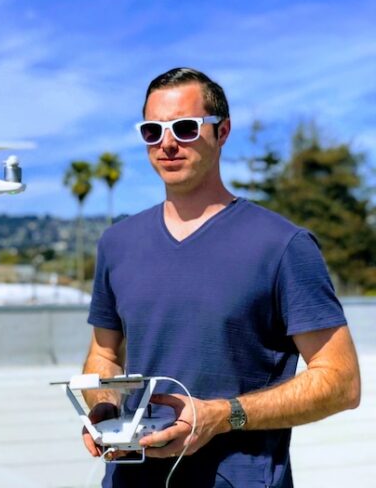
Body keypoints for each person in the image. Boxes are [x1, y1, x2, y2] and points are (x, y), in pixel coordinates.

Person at [82, 67, 361, 487]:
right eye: (152, 131)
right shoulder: (118, 243)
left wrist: (221, 416)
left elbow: (341, 381)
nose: (168, 143)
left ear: (222, 131)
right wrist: (108, 409)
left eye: (186, 127)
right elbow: (103, 357)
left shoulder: (283, 245)